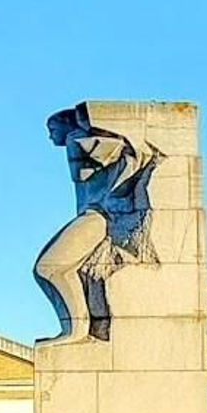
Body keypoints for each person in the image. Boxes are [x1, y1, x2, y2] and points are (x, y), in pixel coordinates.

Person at [34, 106, 161, 342]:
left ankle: (76, 331)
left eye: (53, 129)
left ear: (67, 124)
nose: (50, 136)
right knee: (55, 269)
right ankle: (77, 329)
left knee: (48, 268)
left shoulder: (75, 138)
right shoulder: (77, 140)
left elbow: (118, 149)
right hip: (95, 214)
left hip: (98, 217)